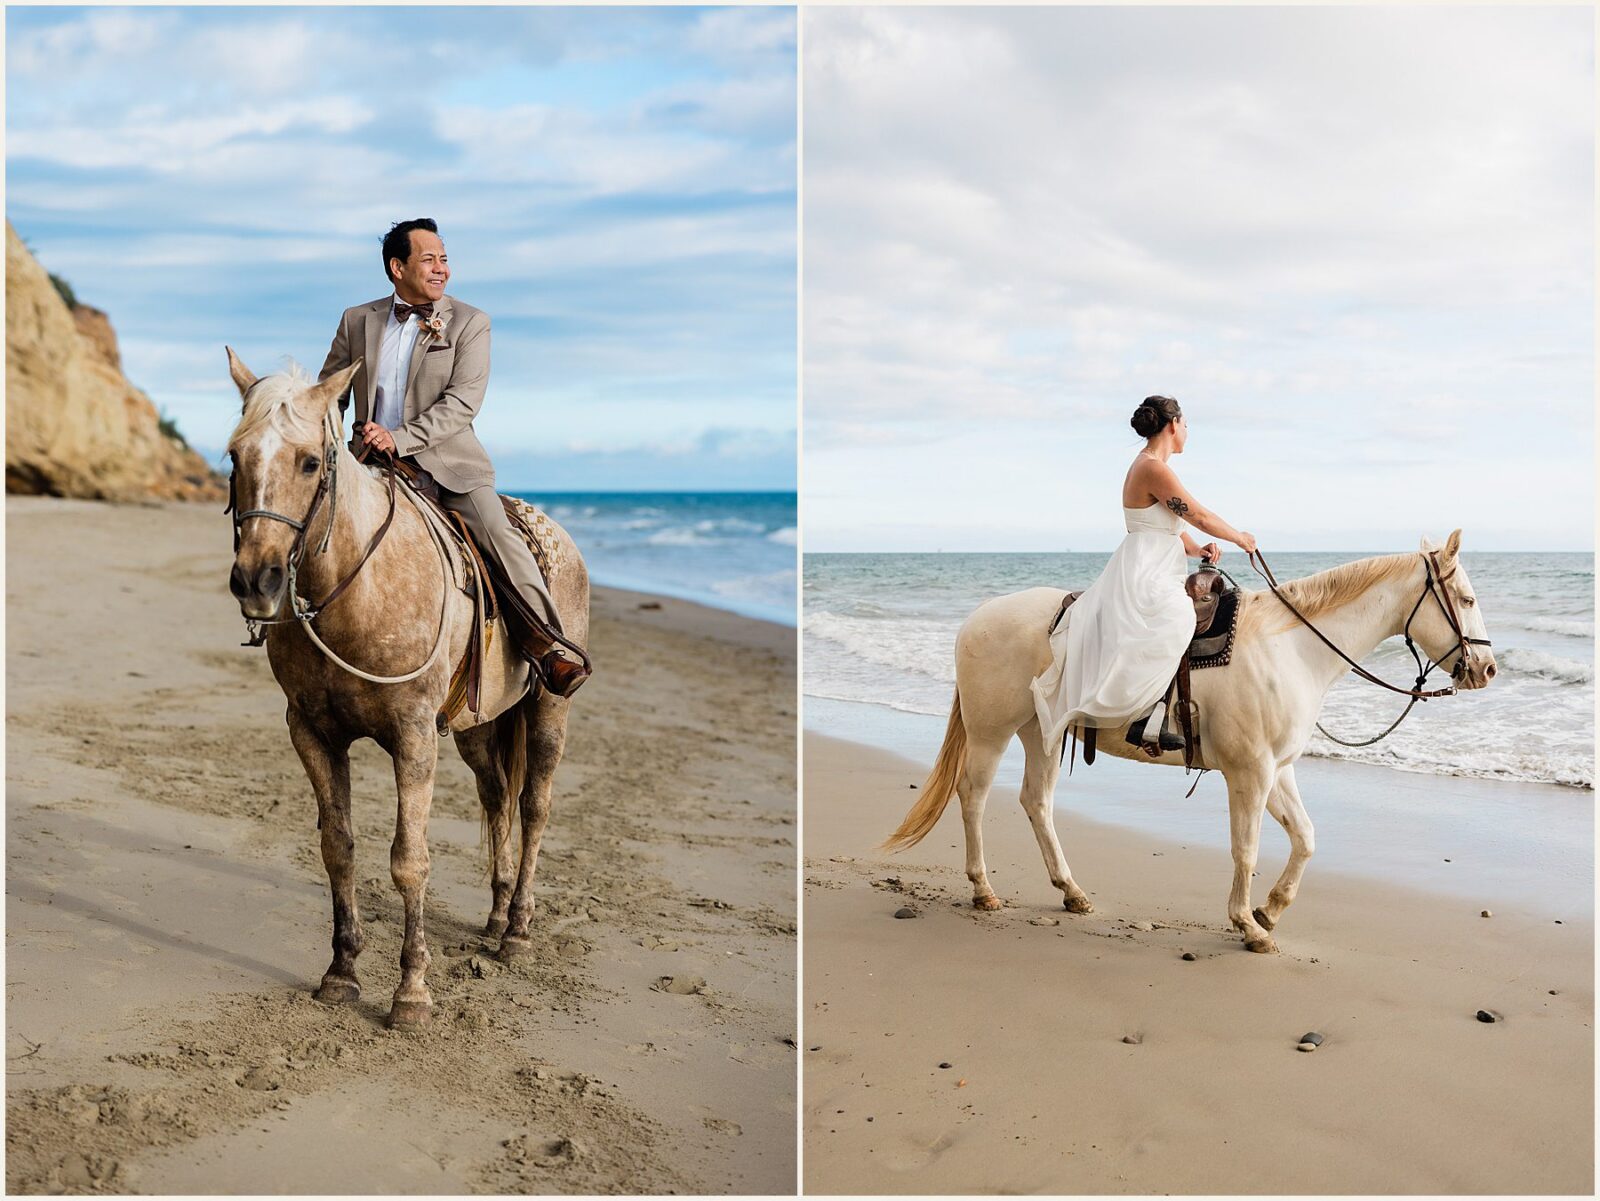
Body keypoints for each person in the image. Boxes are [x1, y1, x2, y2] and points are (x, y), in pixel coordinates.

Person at [318, 218, 588, 696]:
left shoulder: (470, 322)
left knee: (498, 534)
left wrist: (398, 440)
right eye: (429, 259)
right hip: (369, 464)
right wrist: (325, 443)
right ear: (396, 267)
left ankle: (549, 646)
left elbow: (462, 403)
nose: (441, 268)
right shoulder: (356, 320)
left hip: (449, 466)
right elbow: (331, 392)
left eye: (444, 259)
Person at [1031, 395, 1255, 755]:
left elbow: (1170, 526)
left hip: (1157, 561)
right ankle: (1145, 716)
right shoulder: (1152, 468)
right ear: (1172, 425)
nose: (1187, 432)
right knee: (1176, 617)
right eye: (1186, 425)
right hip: (1143, 570)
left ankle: (1157, 708)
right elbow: (1197, 514)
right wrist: (1240, 537)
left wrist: (1198, 549)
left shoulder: (1155, 468)